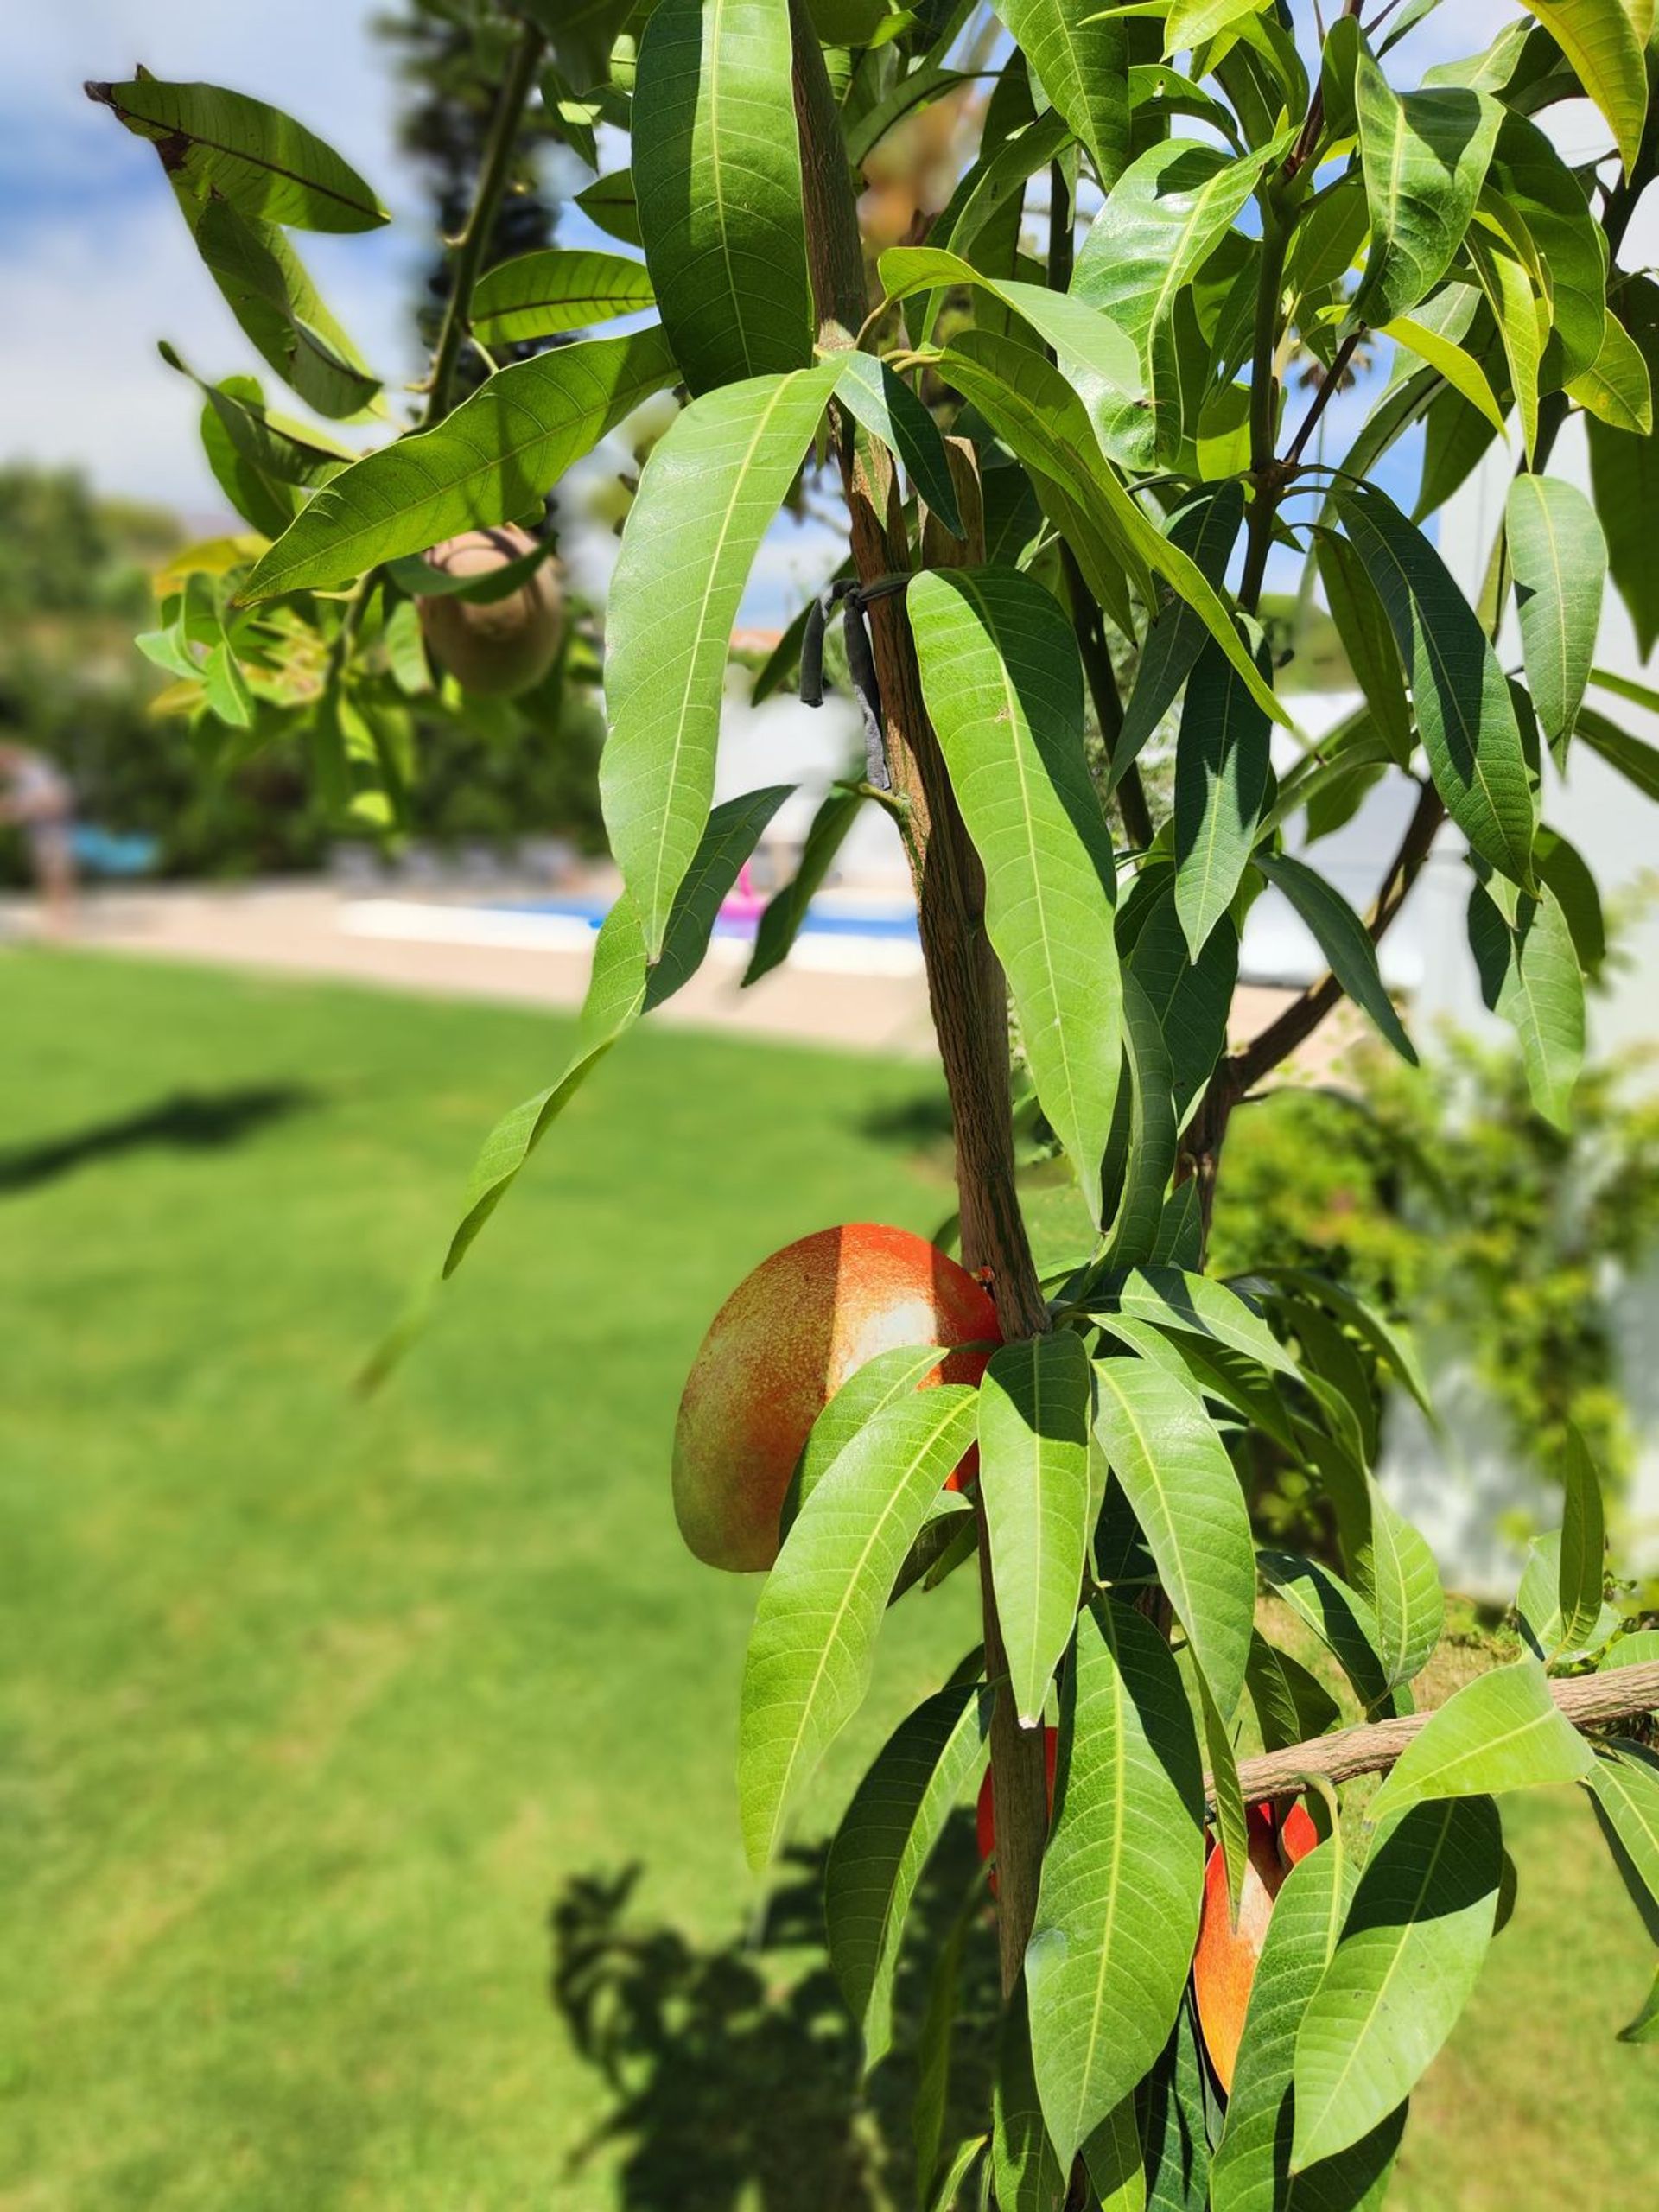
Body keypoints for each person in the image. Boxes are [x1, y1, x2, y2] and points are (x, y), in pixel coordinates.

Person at [0, 739, 76, 936]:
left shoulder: (35, 771)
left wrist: (17, 809)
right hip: (43, 835)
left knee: (56, 881)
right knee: (49, 882)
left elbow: (55, 801)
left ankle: (60, 929)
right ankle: (55, 927)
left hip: (52, 835)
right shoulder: (27, 775)